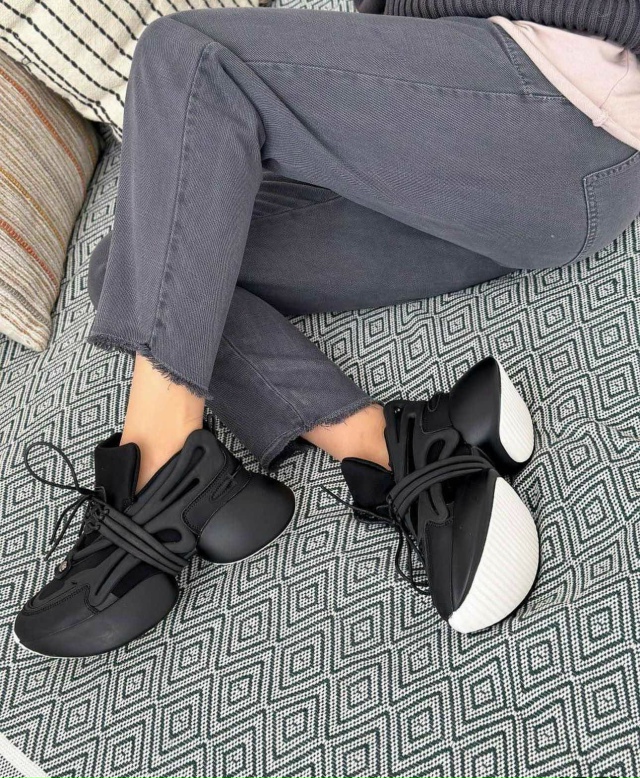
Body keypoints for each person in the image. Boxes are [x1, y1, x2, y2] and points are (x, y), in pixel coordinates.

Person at [14, 2, 640, 656]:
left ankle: (160, 467)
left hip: (563, 118)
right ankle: (385, 448)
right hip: (465, 183)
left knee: (188, 54)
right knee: (137, 267)